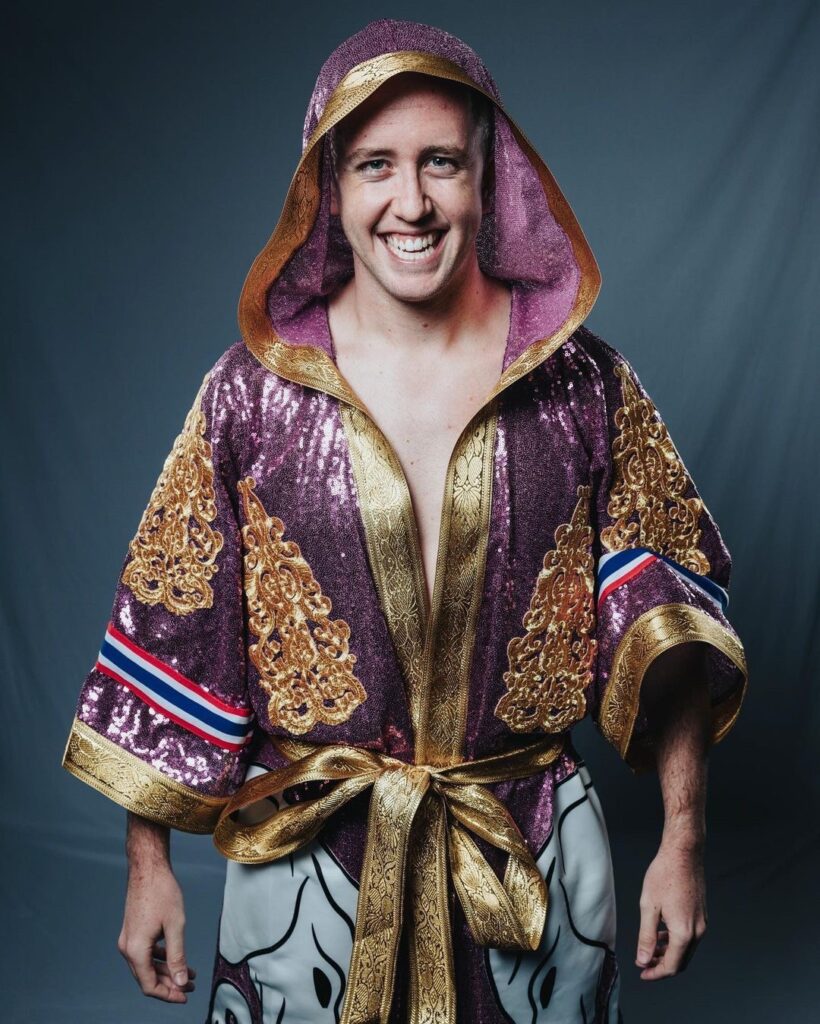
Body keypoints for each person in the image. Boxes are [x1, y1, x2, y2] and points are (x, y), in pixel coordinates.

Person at [62, 18, 748, 1024]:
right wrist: (148, 865)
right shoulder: (250, 397)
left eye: (440, 163)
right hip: (304, 878)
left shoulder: (583, 387)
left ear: (488, 178)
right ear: (329, 189)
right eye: (375, 165)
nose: (411, 202)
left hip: (536, 863)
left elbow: (671, 630)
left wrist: (682, 841)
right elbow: (175, 627)